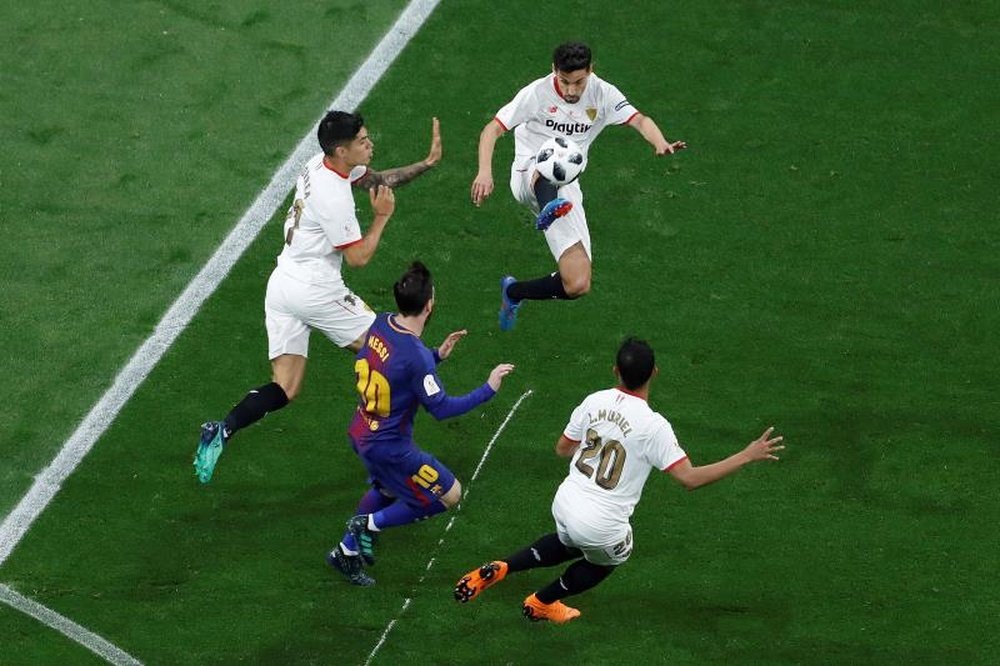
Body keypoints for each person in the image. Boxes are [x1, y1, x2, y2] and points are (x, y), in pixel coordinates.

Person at [453, 337, 783, 623]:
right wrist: (746, 455)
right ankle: (542, 602)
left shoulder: (594, 400)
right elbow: (690, 479)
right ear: (654, 373)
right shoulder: (654, 427)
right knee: (608, 559)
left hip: (566, 501)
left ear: (615, 371)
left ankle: (504, 566)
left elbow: (562, 449)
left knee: (569, 541)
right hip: (602, 523)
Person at [193, 111, 442, 484]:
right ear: (341, 150)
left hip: (283, 285)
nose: (369, 144)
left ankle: (223, 429)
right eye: (362, 141)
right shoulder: (334, 198)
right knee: (396, 348)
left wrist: (425, 164)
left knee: (285, 387)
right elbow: (358, 258)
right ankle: (394, 452)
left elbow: (376, 180)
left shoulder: (321, 164)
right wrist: (381, 218)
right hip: (317, 292)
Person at [470, 42, 687, 331]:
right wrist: (485, 171)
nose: (572, 91)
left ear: (591, 71)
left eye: (579, 82)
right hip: (527, 174)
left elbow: (639, 120)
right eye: (564, 82)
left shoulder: (603, 94)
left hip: (566, 187)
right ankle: (548, 205)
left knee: (577, 283)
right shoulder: (535, 93)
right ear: (554, 72)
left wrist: (659, 142)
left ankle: (514, 292)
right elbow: (492, 129)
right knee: (551, 161)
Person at [326, 261, 515, 586]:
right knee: (449, 494)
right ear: (429, 305)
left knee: (386, 487)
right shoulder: (416, 358)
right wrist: (488, 389)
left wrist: (437, 355)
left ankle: (345, 551)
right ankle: (369, 525)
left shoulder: (383, 322)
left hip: (361, 431)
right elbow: (441, 408)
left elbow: (389, 365)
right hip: (390, 448)